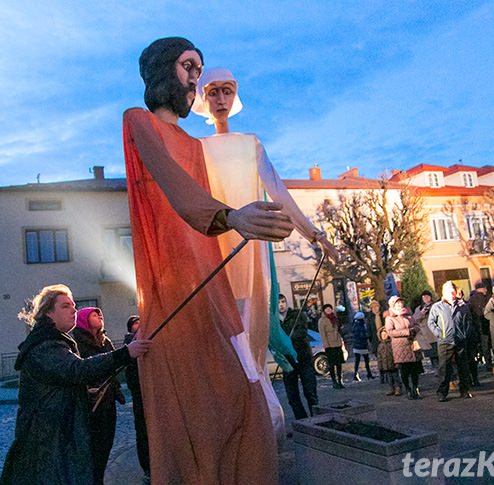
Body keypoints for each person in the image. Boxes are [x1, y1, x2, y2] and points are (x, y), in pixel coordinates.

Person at [122, 37, 291, 483]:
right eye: (188, 66)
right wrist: (232, 216)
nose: (195, 78)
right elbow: (177, 188)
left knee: (247, 399)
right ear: (163, 70)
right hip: (175, 289)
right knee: (197, 412)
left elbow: (232, 189)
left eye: (199, 68)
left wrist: (256, 220)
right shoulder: (139, 122)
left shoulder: (197, 147)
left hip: (213, 280)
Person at [192, 67, 338, 434]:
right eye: (213, 92)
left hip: (253, 247)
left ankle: (258, 418)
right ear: (203, 99)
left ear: (235, 96)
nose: (221, 99)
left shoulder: (251, 143)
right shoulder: (197, 149)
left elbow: (279, 192)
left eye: (227, 91)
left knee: (255, 325)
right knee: (224, 329)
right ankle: (235, 418)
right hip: (217, 244)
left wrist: (315, 235)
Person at [0, 284, 151, 484]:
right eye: (65, 306)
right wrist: (125, 353)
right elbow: (76, 370)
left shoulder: (55, 340)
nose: (74, 310)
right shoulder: (44, 345)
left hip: (57, 434)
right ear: (48, 313)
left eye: (73, 306)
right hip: (48, 439)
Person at [71, 307, 125, 484]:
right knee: (92, 450)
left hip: (108, 402)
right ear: (84, 319)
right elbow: (81, 370)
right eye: (94, 314)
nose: (100, 316)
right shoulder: (77, 342)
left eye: (100, 313)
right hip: (90, 405)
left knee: (105, 446)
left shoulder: (105, 340)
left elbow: (114, 364)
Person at [427, 281, 475, 401]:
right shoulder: (437, 307)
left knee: (463, 367)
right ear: (445, 293)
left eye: (453, 291)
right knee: (444, 368)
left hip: (460, 340)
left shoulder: (462, 306)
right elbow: (431, 323)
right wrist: (440, 334)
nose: (453, 293)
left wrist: (465, 334)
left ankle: (464, 390)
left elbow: (469, 321)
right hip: (445, 342)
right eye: (450, 291)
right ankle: (442, 393)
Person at [278, 294, 318, 419]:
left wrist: (287, 340)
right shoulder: (274, 321)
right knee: (292, 396)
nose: (281, 305)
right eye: (278, 303)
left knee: (310, 391)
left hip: (303, 357)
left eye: (283, 301)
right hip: (287, 361)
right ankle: (302, 421)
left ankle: (316, 419)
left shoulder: (297, 315)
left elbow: (302, 331)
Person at [123, 316, 150, 480]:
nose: (139, 324)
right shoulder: (129, 343)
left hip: (147, 390)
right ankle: (147, 467)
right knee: (142, 429)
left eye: (141, 321)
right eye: (135, 323)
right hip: (139, 392)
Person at [385, 296, 423, 399]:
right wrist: (406, 332)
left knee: (415, 370)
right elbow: (390, 332)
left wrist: (414, 330)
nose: (400, 305)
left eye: (401, 302)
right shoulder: (390, 318)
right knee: (405, 370)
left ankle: (415, 388)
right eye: (397, 303)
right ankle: (408, 390)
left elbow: (416, 325)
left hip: (412, 346)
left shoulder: (409, 315)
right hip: (401, 347)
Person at [319, 303, 345, 389]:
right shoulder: (322, 320)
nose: (329, 310)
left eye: (330, 309)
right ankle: (334, 381)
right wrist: (326, 345)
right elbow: (323, 334)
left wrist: (341, 341)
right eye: (327, 309)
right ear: (324, 311)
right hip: (330, 345)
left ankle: (340, 380)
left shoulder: (335, 318)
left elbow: (338, 330)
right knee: (332, 364)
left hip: (337, 343)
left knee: (339, 364)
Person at [412, 290, 438, 371]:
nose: (425, 298)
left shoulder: (435, 306)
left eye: (427, 296)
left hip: (435, 334)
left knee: (440, 355)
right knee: (432, 356)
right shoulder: (419, 308)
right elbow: (414, 319)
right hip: (426, 337)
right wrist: (421, 313)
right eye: (424, 297)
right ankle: (437, 372)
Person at [377, 327, 402, 396]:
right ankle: (391, 388)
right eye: (382, 335)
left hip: (393, 364)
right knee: (389, 378)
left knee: (395, 377)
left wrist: (397, 362)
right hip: (385, 365)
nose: (384, 336)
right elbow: (379, 357)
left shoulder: (392, 343)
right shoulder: (380, 346)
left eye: (385, 334)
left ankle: (398, 388)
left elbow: (396, 353)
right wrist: (380, 366)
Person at [350, 312, 374, 381]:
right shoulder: (361, 325)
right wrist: (368, 336)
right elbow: (363, 335)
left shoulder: (354, 324)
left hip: (356, 345)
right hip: (362, 345)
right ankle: (368, 373)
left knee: (357, 360)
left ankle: (356, 374)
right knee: (366, 360)